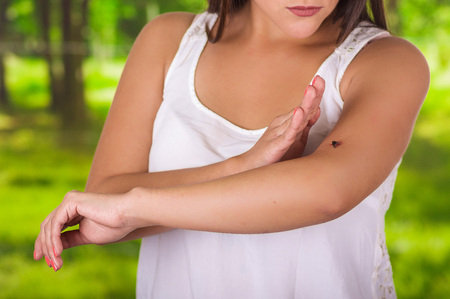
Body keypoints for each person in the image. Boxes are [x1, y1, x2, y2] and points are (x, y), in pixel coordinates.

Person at [34, 0, 429, 298]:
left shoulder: (387, 61)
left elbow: (327, 192)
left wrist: (135, 206)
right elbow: (103, 201)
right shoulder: (168, 41)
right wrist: (242, 165)